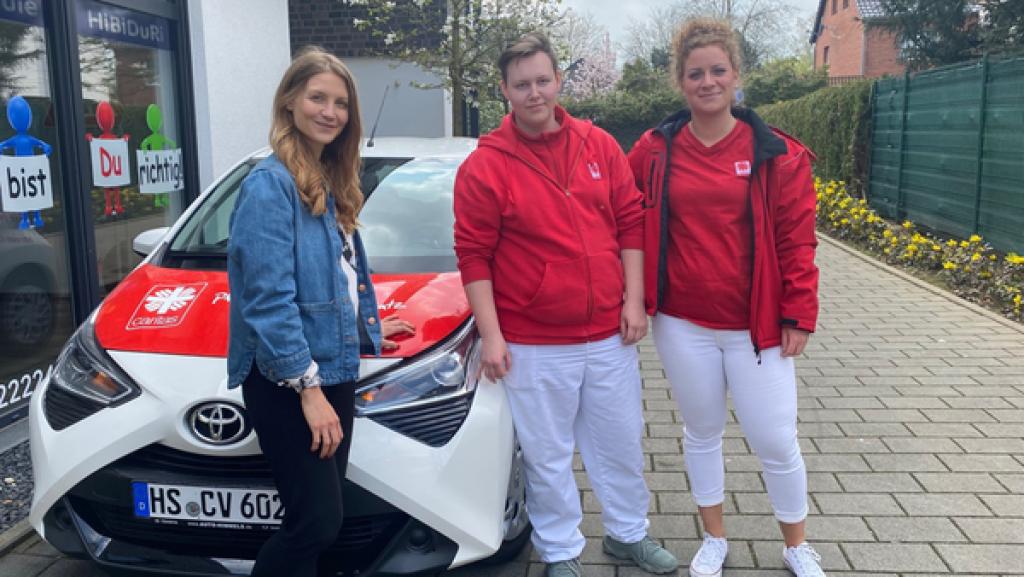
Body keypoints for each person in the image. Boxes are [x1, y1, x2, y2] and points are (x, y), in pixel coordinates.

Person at [453, 32, 679, 577]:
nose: (535, 93)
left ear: (558, 80)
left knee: (620, 444)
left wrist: (634, 299)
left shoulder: (597, 145)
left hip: (608, 334)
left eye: (543, 80)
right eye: (522, 84)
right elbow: (474, 256)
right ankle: (559, 551)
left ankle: (627, 535)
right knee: (547, 455)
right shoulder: (485, 166)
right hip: (533, 342)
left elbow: (630, 221)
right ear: (505, 90)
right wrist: (493, 336)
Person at [627, 18, 823, 577]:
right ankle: (714, 538)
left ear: (736, 76)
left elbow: (797, 241)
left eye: (718, 70)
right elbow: (617, 212)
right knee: (702, 431)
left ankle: (795, 545)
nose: (707, 81)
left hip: (757, 327)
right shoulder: (654, 149)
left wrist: (798, 315)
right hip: (683, 325)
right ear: (680, 82)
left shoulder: (776, 152)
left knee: (774, 438)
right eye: (695, 73)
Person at [226, 47, 412, 577]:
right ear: (289, 102)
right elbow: (268, 301)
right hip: (288, 380)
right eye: (317, 98)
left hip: (332, 367)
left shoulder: (327, 177)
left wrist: (363, 323)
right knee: (315, 523)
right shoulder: (270, 186)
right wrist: (308, 391)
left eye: (341, 103)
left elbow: (332, 275)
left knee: (321, 524)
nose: (330, 112)